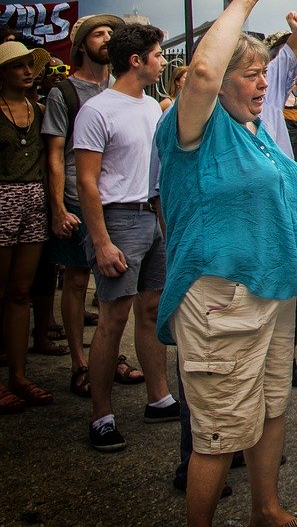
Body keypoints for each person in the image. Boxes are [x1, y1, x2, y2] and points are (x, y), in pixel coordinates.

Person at [155, 0, 297, 527]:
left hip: (272, 291)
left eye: (265, 75)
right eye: (251, 75)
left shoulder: (255, 129)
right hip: (221, 298)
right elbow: (206, 69)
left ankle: (268, 510)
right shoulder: (194, 127)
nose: (263, 85)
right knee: (219, 431)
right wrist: (244, 1)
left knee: (269, 407)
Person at [75, 22, 178, 451]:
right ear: (136, 60)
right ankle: (101, 414)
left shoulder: (152, 107)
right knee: (113, 316)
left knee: (152, 308)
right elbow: (86, 181)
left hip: (149, 214)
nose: (162, 61)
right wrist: (100, 241)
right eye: (157, 55)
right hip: (116, 219)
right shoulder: (97, 111)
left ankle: (159, 396)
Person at [41, 13, 123, 399]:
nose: (106, 38)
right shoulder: (66, 92)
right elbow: (55, 155)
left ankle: (111, 355)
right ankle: (80, 361)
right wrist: (57, 208)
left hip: (116, 200)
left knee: (119, 287)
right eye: (98, 33)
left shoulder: (123, 87)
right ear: (81, 44)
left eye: (111, 33)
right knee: (75, 281)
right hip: (77, 199)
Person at [0, 41, 53, 412]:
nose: (26, 71)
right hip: (2, 198)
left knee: (21, 291)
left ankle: (19, 374)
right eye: (17, 66)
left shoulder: (39, 110)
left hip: (34, 201)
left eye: (28, 65)